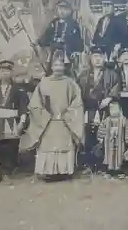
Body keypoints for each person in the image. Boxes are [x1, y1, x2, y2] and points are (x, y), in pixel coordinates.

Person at [20, 53, 84, 181]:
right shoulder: (44, 83)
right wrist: (45, 115)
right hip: (48, 121)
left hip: (65, 122)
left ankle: (64, 172)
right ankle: (49, 172)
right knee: (48, 146)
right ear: (52, 67)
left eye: (60, 65)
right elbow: (35, 104)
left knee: (63, 146)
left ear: (64, 67)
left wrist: (67, 114)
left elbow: (77, 103)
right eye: (55, 65)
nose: (58, 68)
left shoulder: (70, 83)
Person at [78, 45, 120, 173]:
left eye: (100, 57)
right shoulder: (84, 75)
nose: (97, 60)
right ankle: (90, 165)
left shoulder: (111, 74)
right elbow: (77, 91)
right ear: (90, 58)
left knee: (103, 135)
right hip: (88, 110)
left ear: (104, 58)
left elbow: (116, 88)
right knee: (89, 136)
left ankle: (103, 165)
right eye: (95, 57)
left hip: (104, 109)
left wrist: (109, 98)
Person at [34, 0, 83, 76]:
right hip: (53, 51)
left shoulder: (73, 24)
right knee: (51, 70)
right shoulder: (54, 22)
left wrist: (76, 50)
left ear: (70, 11)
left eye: (65, 9)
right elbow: (47, 34)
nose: (62, 11)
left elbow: (77, 39)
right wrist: (39, 42)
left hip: (67, 52)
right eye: (60, 9)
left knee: (67, 71)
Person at [97, 99, 128, 178]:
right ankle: (109, 171)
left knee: (119, 156)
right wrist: (101, 137)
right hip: (109, 143)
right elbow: (101, 129)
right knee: (109, 155)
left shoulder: (123, 120)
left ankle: (119, 170)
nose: (113, 111)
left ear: (120, 110)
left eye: (116, 109)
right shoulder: (106, 120)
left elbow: (127, 129)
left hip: (120, 142)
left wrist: (127, 138)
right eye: (111, 109)